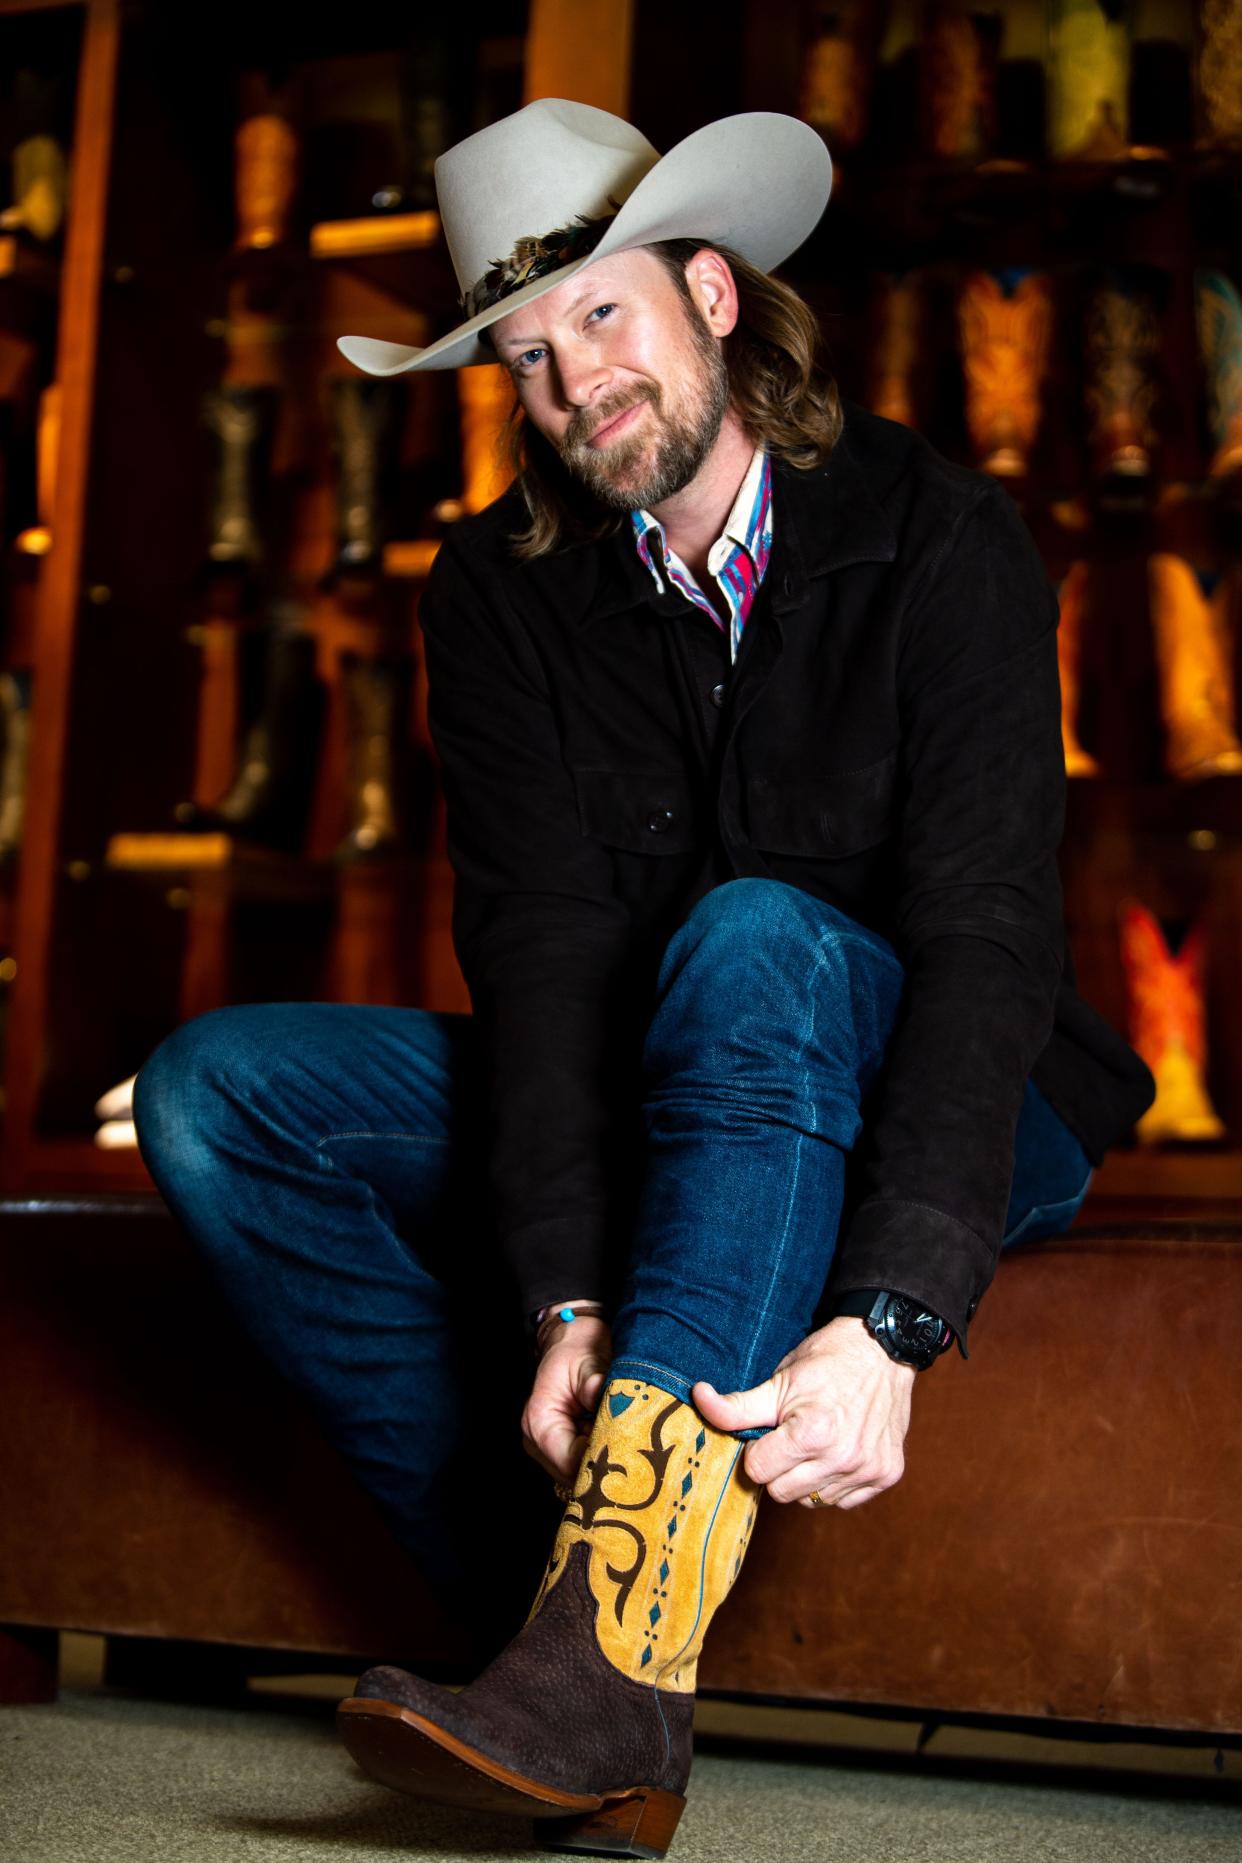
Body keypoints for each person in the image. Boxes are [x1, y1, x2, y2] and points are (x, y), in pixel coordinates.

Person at [133, 98, 1155, 1858]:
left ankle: (603, 1649)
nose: (568, 385)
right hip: (643, 1089)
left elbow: (989, 930)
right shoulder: (496, 591)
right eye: (521, 355)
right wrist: (557, 1301)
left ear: (712, 294)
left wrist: (895, 1311)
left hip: (955, 1096)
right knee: (219, 1093)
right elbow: (535, 959)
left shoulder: (940, 537)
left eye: (600, 316)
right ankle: (567, 1636)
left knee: (754, 932)